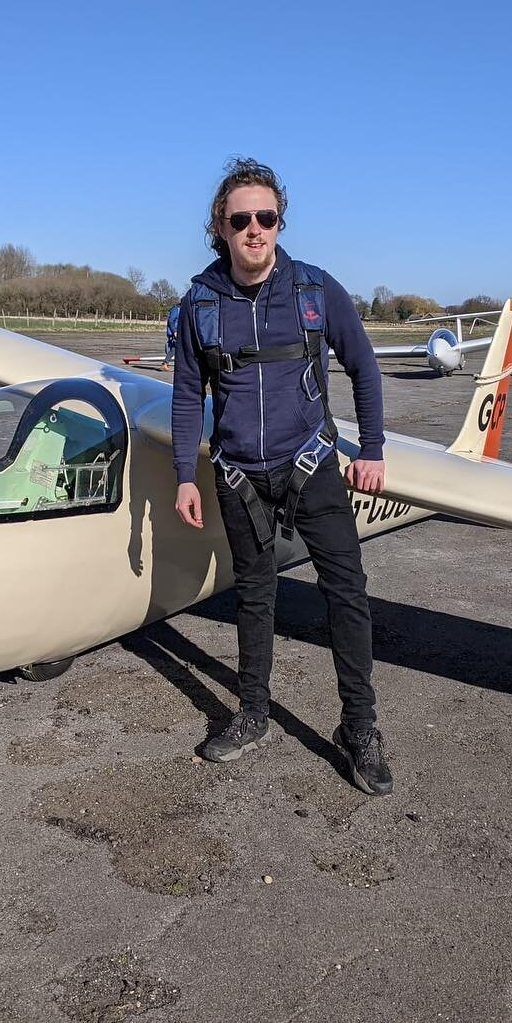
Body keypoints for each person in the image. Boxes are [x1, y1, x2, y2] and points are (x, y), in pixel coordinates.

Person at [171, 157, 392, 796]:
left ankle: (359, 729)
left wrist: (371, 449)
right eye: (240, 219)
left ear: (279, 221)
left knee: (346, 594)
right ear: (221, 227)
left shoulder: (315, 291)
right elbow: (189, 394)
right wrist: (186, 473)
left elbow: (364, 368)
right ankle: (253, 713)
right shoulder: (201, 304)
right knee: (255, 596)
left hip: (313, 464)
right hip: (239, 475)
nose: (255, 230)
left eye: (266, 217)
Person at [163, 301, 180, 370]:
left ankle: (165, 363)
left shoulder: (180, 309)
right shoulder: (176, 309)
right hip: (175, 332)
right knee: (174, 349)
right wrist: (174, 331)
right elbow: (171, 321)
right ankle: (165, 363)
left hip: (177, 331)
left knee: (174, 349)